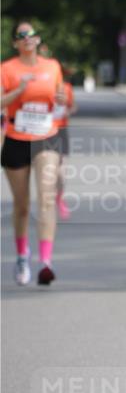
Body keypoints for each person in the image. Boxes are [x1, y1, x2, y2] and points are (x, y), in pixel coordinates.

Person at [1, 22, 65, 285]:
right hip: (16, 137)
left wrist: (61, 100)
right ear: (16, 43)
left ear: (38, 40)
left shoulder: (52, 67)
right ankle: (21, 255)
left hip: (45, 137)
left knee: (47, 197)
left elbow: (60, 101)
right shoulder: (7, 69)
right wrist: (19, 90)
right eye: (22, 35)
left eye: (32, 34)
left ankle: (46, 262)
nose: (28, 38)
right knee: (22, 205)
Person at [53, 66, 77, 220]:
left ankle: (59, 198)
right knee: (46, 171)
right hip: (42, 132)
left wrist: (69, 111)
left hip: (61, 131)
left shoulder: (67, 88)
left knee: (61, 172)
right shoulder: (41, 87)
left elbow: (73, 106)